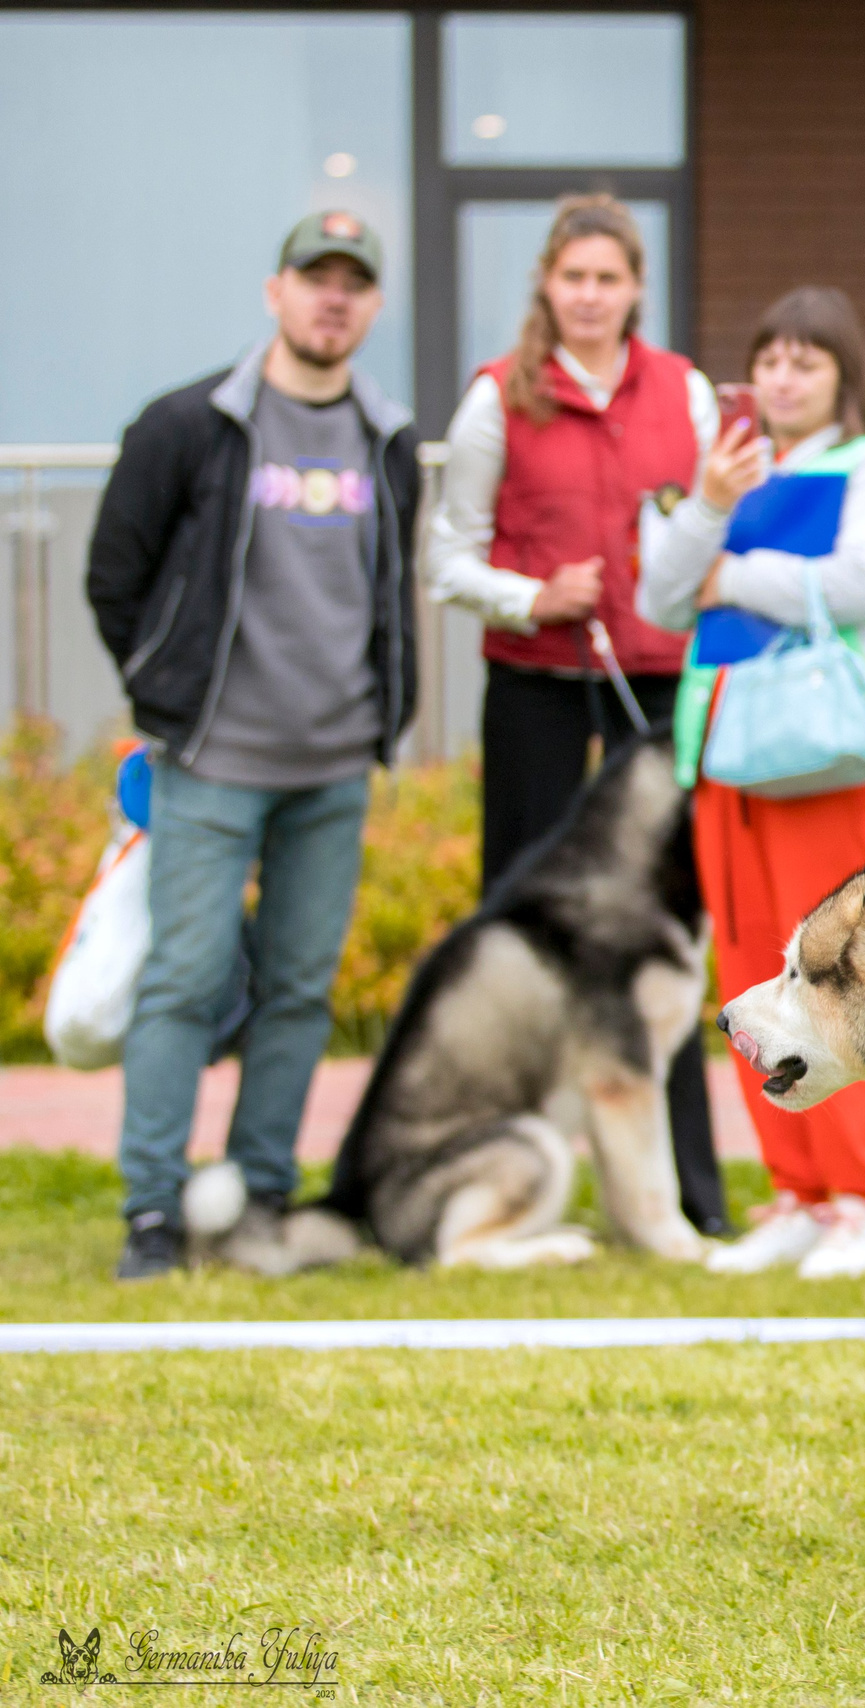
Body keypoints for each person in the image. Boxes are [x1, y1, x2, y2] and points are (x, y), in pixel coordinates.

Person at [86, 211, 420, 1279]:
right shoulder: (192, 424)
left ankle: (260, 1196)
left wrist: (382, 719)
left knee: (297, 989)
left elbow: (388, 590)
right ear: (274, 292)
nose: (333, 298)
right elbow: (116, 574)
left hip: (331, 768)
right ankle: (152, 1209)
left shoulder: (389, 439)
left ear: (371, 305)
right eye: (313, 279)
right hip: (212, 763)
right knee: (183, 981)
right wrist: (166, 695)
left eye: (352, 284)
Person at [423, 193, 731, 1234]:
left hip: (654, 685)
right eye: (573, 278)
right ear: (547, 288)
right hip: (536, 691)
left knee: (667, 937)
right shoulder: (494, 400)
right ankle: (516, 1180)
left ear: (634, 287)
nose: (590, 296)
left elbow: (704, 529)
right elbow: (446, 558)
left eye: (608, 279)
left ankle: (687, 1192)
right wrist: (526, 596)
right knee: (526, 933)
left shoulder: (682, 391)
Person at [637, 286, 865, 1279]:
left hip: (823, 755)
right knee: (753, 975)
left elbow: (863, 582)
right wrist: (712, 504)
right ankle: (796, 1189)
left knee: (832, 972)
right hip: (725, 754)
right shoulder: (729, 471)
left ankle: (857, 1198)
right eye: (769, 360)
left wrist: (734, 575)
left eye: (806, 361)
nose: (783, 379)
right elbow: (659, 594)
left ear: (843, 375)